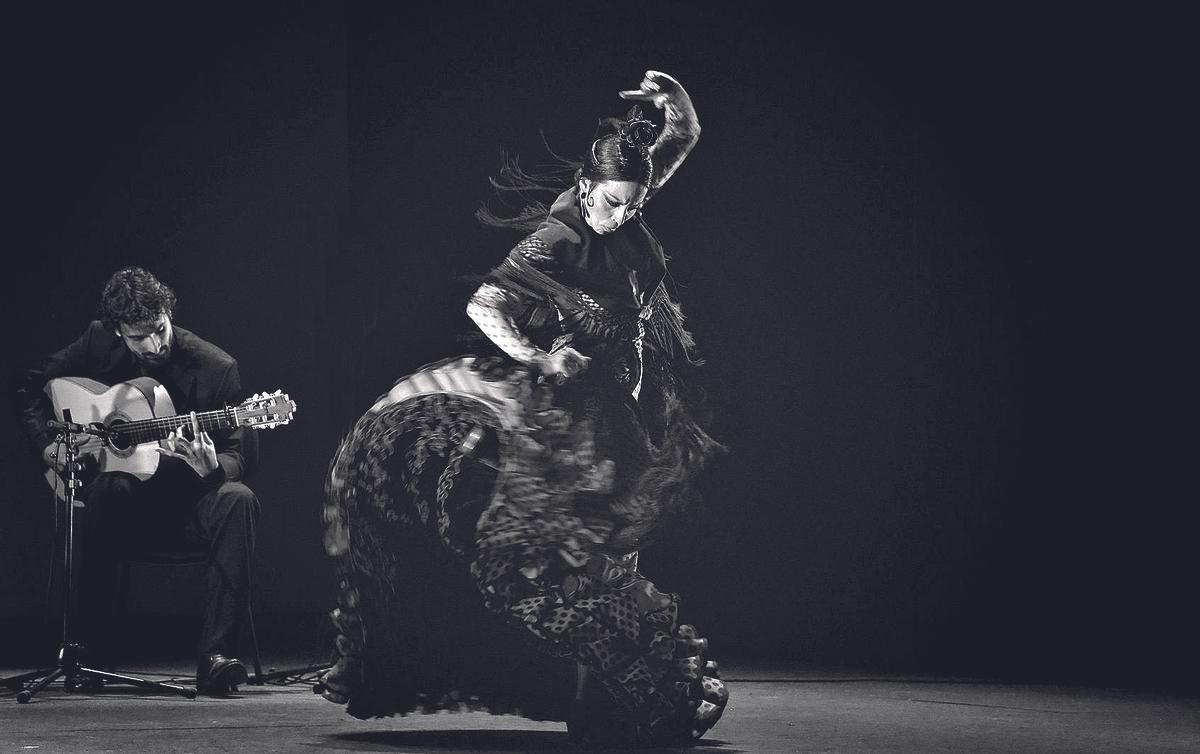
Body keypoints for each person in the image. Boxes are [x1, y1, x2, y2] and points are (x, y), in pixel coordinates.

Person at [319, 71, 727, 745]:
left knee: (620, 544)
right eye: (612, 204)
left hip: (620, 398)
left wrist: (683, 121)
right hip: (570, 409)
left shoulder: (627, 208)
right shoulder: (560, 236)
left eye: (632, 205)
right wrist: (538, 358)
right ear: (588, 188)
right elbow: (485, 304)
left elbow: (665, 161)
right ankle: (595, 686)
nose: (621, 216)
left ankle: (608, 688)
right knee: (574, 553)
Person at [17, 266, 260, 696]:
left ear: (168, 313)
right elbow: (31, 386)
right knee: (112, 487)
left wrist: (213, 468)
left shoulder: (216, 367)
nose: (153, 344)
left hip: (185, 504)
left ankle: (217, 657)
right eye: (137, 337)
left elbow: (240, 453)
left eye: (160, 329)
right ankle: (91, 654)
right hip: (121, 510)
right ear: (116, 333)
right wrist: (48, 449)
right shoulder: (96, 341)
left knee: (238, 499)